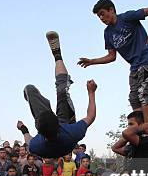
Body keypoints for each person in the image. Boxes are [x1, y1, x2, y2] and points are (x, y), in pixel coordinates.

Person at [79, 0, 148, 128]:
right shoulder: (107, 33)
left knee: (143, 93)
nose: (101, 18)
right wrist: (92, 61)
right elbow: (111, 56)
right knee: (134, 98)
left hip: (147, 60)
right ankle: (139, 127)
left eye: (102, 13)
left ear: (111, 10)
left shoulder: (127, 18)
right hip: (134, 66)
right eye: (99, 16)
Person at [17, 31, 97, 159]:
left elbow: (28, 140)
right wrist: (91, 92)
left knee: (29, 90)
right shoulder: (72, 132)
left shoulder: (36, 145)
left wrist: (24, 130)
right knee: (62, 91)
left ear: (38, 127)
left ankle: (36, 98)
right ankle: (57, 55)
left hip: (53, 135)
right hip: (67, 123)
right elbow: (90, 117)